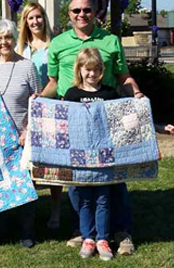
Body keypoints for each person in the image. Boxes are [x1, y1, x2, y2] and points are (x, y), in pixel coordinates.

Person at [44, 0, 143, 256]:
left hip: (105, 124)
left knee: (113, 180)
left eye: (86, 10)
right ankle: (85, 231)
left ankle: (121, 233)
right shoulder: (59, 43)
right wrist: (38, 101)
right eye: (76, 10)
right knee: (76, 182)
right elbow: (54, 83)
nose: (81, 15)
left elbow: (123, 77)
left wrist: (137, 94)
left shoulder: (110, 41)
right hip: (72, 125)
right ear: (69, 14)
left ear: (95, 12)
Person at [0, 19, 41, 248]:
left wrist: (27, 130)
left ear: (14, 38)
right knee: (0, 183)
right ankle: (0, 227)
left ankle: (27, 231)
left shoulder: (27, 66)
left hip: (22, 135)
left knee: (25, 183)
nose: (3, 42)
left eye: (7, 37)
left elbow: (37, 102)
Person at [63, 48, 117, 261]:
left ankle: (103, 238)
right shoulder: (72, 94)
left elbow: (122, 118)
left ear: (101, 70)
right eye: (88, 70)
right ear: (80, 70)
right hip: (80, 157)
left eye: (96, 70)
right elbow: (63, 123)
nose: (92, 75)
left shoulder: (109, 94)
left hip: (104, 156)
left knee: (103, 198)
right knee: (84, 198)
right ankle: (88, 237)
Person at [17, 2, 62, 231]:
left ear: (44, 18)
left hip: (52, 107)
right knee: (29, 162)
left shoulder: (54, 45)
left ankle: (55, 211)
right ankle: (31, 211)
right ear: (25, 22)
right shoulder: (21, 48)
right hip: (27, 111)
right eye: (30, 18)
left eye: (38, 17)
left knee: (54, 161)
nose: (35, 22)